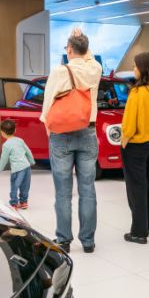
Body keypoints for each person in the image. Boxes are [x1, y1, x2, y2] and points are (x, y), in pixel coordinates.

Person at [40, 27, 102, 254]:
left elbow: (47, 105)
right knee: (88, 189)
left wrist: (49, 128)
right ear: (86, 50)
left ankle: (64, 239)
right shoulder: (95, 69)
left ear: (69, 50)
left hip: (61, 136)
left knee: (63, 192)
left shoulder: (59, 71)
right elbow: (90, 58)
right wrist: (83, 40)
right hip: (88, 132)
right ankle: (88, 241)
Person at [121, 52, 149, 245]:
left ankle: (139, 233)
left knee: (137, 188)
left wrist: (124, 140)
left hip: (136, 146)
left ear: (143, 69)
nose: (133, 69)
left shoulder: (137, 92)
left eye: (135, 66)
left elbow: (129, 123)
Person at [0, 119, 34, 210]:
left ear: (2, 133)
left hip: (17, 170)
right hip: (27, 167)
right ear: (15, 130)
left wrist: (0, 168)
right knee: (25, 186)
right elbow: (28, 151)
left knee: (15, 186)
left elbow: (4, 158)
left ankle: (14, 203)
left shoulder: (6, 145)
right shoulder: (20, 140)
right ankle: (24, 202)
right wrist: (32, 161)